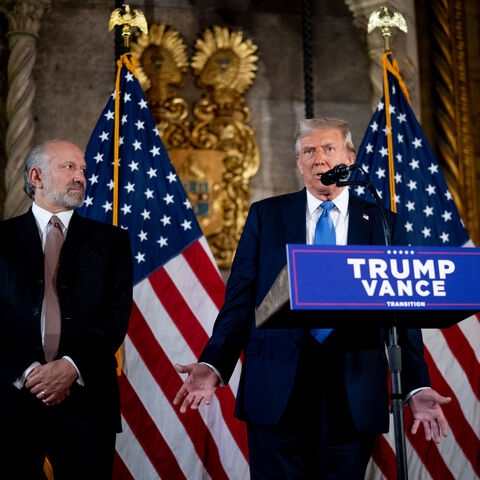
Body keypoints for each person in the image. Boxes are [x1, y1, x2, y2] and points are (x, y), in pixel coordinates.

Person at [174, 118, 451, 479]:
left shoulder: (383, 223)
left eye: (328, 148)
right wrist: (214, 364)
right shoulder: (266, 215)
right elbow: (240, 302)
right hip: (276, 387)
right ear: (299, 164)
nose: (319, 158)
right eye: (309, 151)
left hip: (353, 390)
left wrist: (416, 383)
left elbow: (401, 314)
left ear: (349, 159)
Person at [0, 140, 133, 479]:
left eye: (83, 170)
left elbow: (115, 317)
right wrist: (28, 371)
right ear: (37, 176)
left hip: (87, 404)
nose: (81, 177)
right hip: (11, 400)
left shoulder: (112, 242)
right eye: (69, 167)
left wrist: (71, 366)